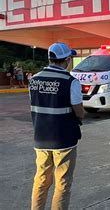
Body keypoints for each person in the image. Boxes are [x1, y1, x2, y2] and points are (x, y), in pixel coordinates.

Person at [29, 42, 84, 210]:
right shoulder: (70, 81)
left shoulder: (35, 80)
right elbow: (79, 111)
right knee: (62, 183)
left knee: (41, 180)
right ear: (67, 60)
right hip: (64, 140)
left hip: (41, 138)